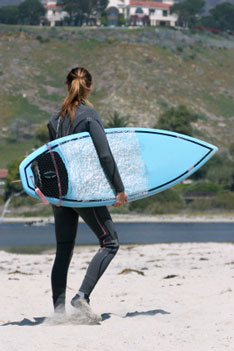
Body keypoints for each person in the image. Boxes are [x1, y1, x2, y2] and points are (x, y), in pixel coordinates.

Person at [47, 67, 128, 314]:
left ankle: (58, 313)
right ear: (90, 87)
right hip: (83, 191)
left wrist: (53, 195)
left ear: (67, 85)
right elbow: (105, 154)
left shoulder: (54, 120)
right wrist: (119, 189)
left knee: (63, 250)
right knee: (110, 242)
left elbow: (52, 160)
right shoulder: (89, 115)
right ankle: (82, 296)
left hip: (61, 193)